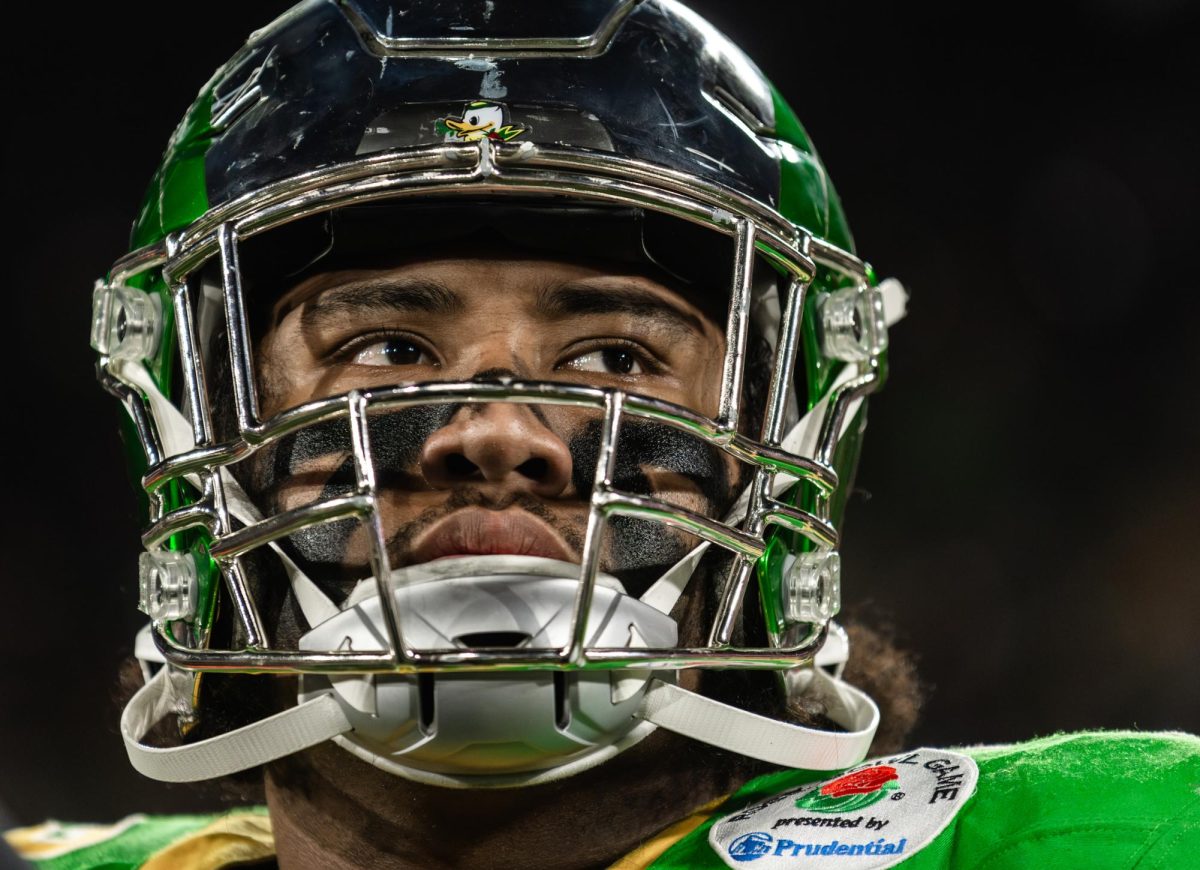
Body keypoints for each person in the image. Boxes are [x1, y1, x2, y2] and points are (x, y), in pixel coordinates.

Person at [8, 2, 1197, 868]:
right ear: (197, 407)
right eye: (385, 349)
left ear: (778, 424)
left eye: (617, 358)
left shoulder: (1115, 840)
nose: (497, 432)